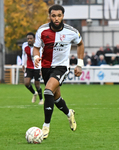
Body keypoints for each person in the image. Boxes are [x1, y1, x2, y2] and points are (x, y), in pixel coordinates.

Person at [33, 4, 84, 139]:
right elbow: (36, 48)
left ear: (63, 16)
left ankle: (45, 126)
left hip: (61, 67)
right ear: (49, 16)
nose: (56, 18)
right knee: (56, 98)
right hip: (45, 67)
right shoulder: (42, 30)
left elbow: (80, 44)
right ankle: (69, 114)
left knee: (48, 91)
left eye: (59, 16)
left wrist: (80, 64)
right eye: (53, 16)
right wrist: (36, 57)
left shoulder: (71, 31)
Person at [22, 32, 44, 105]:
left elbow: (41, 57)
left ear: (34, 39)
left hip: (37, 67)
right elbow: (24, 55)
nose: (29, 40)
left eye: (31, 38)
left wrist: (41, 69)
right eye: (28, 38)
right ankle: (34, 93)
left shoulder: (38, 46)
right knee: (26, 83)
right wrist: (23, 64)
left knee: (37, 84)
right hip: (29, 67)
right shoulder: (24, 45)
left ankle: (41, 99)